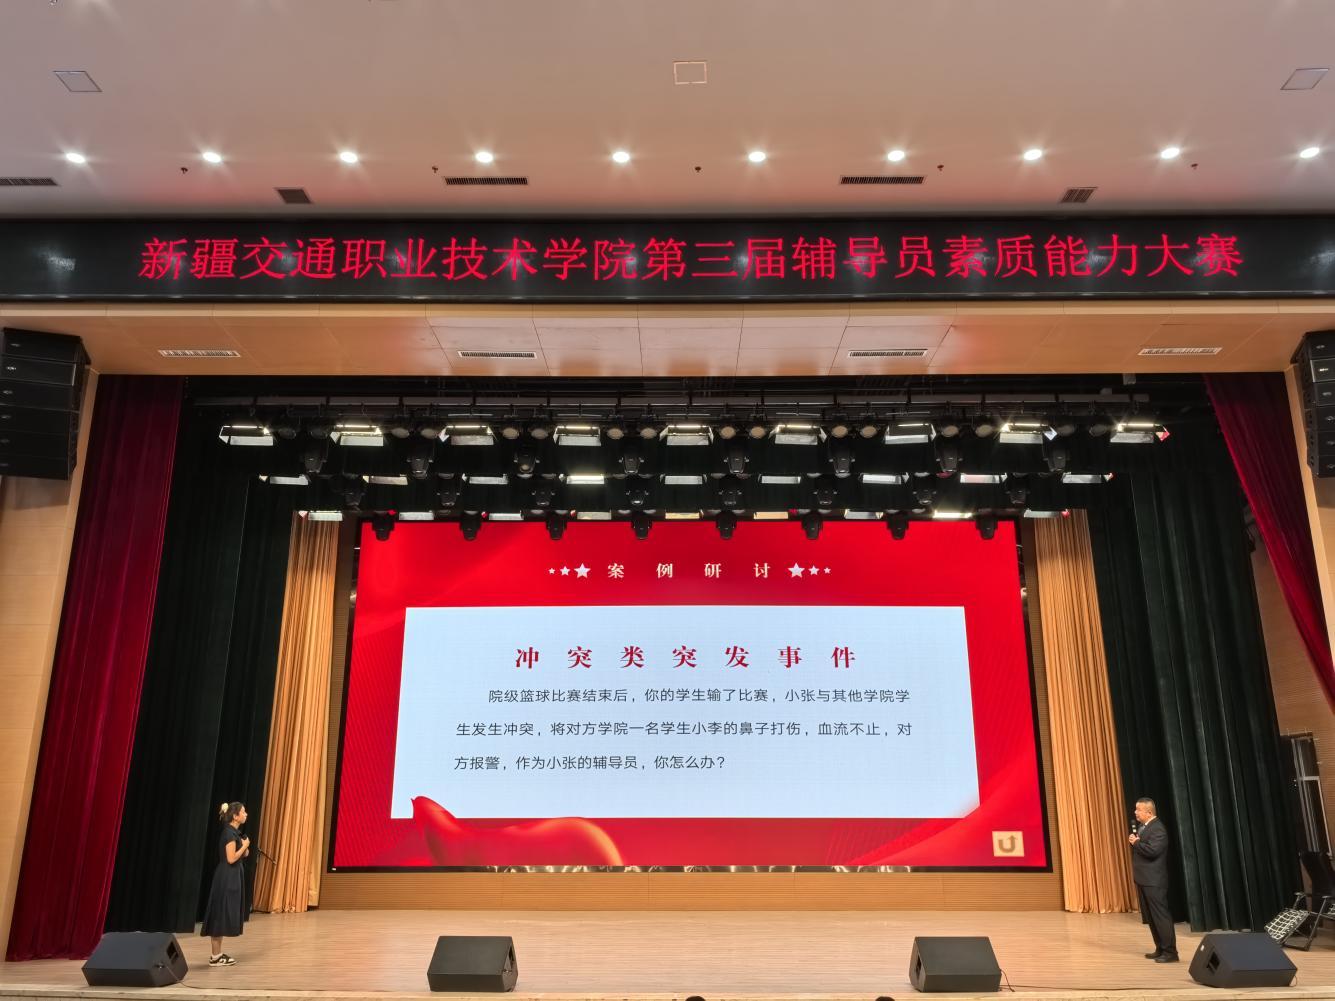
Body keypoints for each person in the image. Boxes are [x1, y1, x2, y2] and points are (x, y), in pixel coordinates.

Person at [200, 801, 250, 967]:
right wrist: (245, 846)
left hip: (232, 876)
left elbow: (244, 854)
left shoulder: (234, 832)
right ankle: (215, 956)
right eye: (243, 812)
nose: (246, 814)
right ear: (235, 816)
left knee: (222, 914)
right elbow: (231, 858)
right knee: (219, 914)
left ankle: (217, 955)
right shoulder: (228, 833)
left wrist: (244, 846)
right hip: (226, 877)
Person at [1128, 797, 1176, 963]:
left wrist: (1136, 843)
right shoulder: (1144, 827)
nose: (1135, 812)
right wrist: (1137, 842)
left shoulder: (1157, 828)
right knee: (1152, 917)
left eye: (1138, 810)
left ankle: (1170, 952)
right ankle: (1160, 948)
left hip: (1154, 880)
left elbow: (1153, 851)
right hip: (1144, 879)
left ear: (1149, 812)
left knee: (1160, 916)